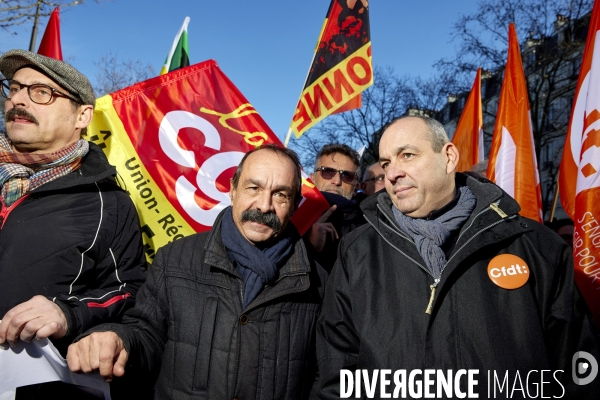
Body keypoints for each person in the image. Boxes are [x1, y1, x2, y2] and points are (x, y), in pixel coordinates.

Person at [314, 116, 600, 398]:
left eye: (408, 155)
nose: (391, 173)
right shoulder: (357, 252)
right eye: (387, 163)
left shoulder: (535, 245)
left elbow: (578, 370)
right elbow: (336, 374)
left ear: (449, 157)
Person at [67, 145, 328, 400]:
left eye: (281, 194)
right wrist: (120, 340)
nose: (264, 206)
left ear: (294, 205)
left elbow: (325, 374)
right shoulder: (174, 260)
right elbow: (145, 334)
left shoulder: (319, 282)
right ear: (233, 190)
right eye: (253, 188)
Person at [0, 50, 146, 355]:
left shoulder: (110, 204)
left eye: (42, 92)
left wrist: (67, 313)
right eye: (14, 88)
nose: (18, 100)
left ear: (82, 116)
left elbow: (127, 291)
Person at [307, 143, 365, 271]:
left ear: (356, 188)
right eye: (327, 172)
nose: (337, 181)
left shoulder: (369, 228)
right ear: (312, 179)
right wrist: (307, 247)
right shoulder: (292, 218)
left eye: (346, 175)